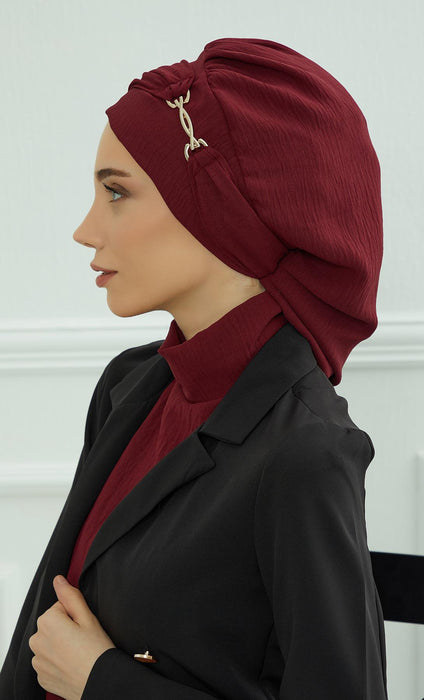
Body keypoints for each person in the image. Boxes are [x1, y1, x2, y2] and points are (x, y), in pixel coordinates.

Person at [0, 37, 388, 699]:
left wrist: (103, 681)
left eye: (116, 193)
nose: (86, 230)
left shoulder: (305, 451)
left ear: (221, 210)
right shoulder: (130, 386)